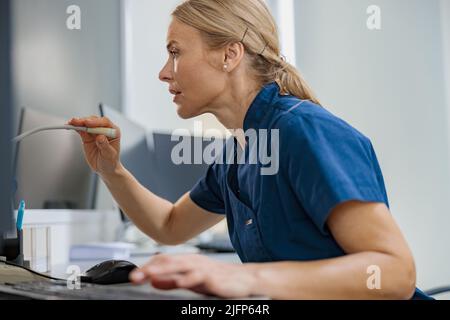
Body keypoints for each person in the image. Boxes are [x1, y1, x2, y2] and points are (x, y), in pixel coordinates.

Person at [68, 0, 430, 299]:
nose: (164, 72)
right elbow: (170, 226)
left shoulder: (303, 131)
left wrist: (250, 279)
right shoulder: (236, 152)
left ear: (230, 55)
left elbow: (394, 273)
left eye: (175, 52)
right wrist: (111, 170)